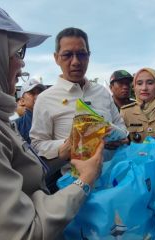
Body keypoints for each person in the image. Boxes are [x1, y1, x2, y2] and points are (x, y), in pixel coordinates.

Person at [0, 0, 104, 239]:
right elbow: (22, 234)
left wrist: (64, 153)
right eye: (16, 51)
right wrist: (85, 179)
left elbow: (20, 172)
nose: (21, 62)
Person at [30, 27, 127, 162]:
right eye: (67, 55)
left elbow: (120, 125)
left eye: (81, 54)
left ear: (89, 56)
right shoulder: (45, 99)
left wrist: (117, 137)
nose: (75, 62)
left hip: (115, 176)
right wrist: (70, 143)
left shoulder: (102, 92)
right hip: (73, 180)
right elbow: (37, 145)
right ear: (56, 58)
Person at [15, 78, 46, 143]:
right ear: (22, 101)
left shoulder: (55, 117)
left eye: (40, 92)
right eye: (32, 93)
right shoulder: (16, 125)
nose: (38, 96)